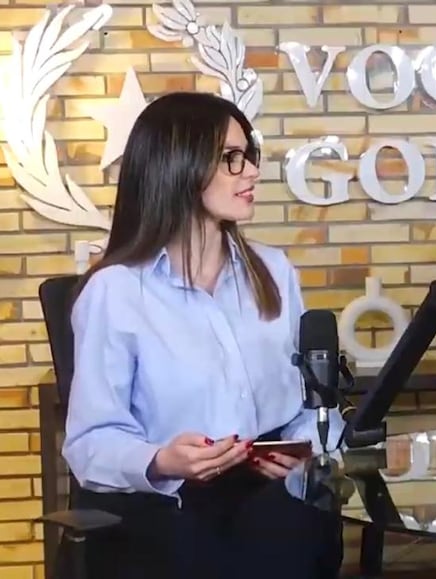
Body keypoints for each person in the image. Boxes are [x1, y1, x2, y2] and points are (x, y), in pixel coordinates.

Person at [61, 92, 343, 579]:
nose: (251, 172)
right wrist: (162, 460)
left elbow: (312, 408)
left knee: (300, 517)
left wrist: (305, 450)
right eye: (232, 158)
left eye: (249, 156)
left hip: (271, 497)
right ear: (179, 167)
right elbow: (91, 443)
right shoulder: (115, 291)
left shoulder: (275, 271)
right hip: (170, 507)